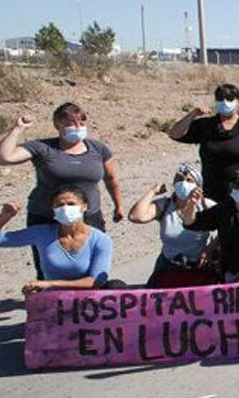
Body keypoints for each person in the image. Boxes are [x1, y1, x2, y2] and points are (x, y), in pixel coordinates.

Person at [0, 104, 124, 277]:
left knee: (90, 268)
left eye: (81, 123)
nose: (78, 127)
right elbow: (5, 157)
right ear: (58, 125)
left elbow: (111, 179)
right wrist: (17, 129)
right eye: (71, 123)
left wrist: (118, 205)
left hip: (87, 216)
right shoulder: (42, 148)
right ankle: (49, 291)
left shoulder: (98, 149)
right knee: (49, 266)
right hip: (46, 217)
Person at [0, 186, 114, 295]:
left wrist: (50, 284)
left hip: (87, 301)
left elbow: (96, 281)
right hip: (51, 301)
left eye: (71, 204)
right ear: (53, 210)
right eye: (59, 205)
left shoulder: (100, 240)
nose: (65, 209)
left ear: (84, 207)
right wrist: (4, 217)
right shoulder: (42, 233)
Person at [167, 84, 239, 202]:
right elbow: (174, 134)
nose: (225, 102)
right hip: (212, 194)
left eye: (230, 99)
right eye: (221, 99)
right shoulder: (206, 126)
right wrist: (193, 114)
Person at [127, 163, 217, 287]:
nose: (183, 183)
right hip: (168, 265)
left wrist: (210, 248)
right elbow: (135, 216)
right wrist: (152, 192)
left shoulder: (206, 206)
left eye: (189, 180)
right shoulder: (165, 205)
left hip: (198, 266)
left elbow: (226, 226)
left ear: (198, 186)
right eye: (179, 179)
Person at [182, 167, 239, 282]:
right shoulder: (224, 210)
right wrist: (191, 203)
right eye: (237, 185)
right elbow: (190, 223)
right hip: (230, 272)